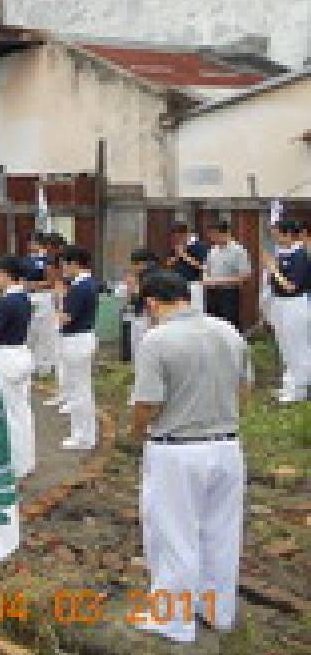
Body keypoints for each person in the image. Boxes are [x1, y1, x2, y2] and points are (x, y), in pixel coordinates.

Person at [129, 270, 249, 644]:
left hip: (177, 450)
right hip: (227, 446)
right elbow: (245, 389)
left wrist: (136, 432)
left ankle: (174, 619)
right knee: (221, 532)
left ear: (151, 303)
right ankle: (217, 609)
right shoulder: (228, 331)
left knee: (173, 534)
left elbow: (148, 402)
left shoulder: (156, 340)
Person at [0, 256, 35, 478]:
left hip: (7, 356)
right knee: (21, 410)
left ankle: (15, 463)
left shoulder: (5, 303)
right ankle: (25, 460)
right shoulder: (23, 298)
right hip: (21, 353)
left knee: (9, 412)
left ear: (7, 275)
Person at [261, 220, 309, 404]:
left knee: (297, 346)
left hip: (295, 304)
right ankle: (289, 384)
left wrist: (273, 269)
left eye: (277, 234)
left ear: (289, 234)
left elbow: (291, 286)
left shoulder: (299, 256)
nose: (275, 238)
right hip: (280, 303)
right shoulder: (282, 254)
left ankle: (300, 388)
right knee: (285, 345)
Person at [57, 246, 98, 449]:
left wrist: (57, 310)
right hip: (82, 338)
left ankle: (83, 436)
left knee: (78, 390)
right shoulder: (87, 284)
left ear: (74, 264)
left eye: (64, 264)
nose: (62, 269)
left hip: (76, 340)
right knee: (81, 389)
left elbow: (65, 318)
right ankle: (85, 433)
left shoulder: (79, 287)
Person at [203, 221, 252, 331]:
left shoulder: (238, 251)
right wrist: (206, 278)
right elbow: (206, 269)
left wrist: (218, 281)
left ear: (225, 233)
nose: (211, 237)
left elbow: (244, 277)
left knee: (228, 324)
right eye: (210, 234)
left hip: (228, 293)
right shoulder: (213, 250)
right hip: (211, 293)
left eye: (214, 234)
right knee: (213, 324)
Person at [23, 232, 59, 379]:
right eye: (30, 243)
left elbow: (51, 282)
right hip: (28, 296)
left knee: (44, 331)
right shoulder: (26, 260)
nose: (30, 245)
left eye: (33, 243)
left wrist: (34, 284)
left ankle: (44, 366)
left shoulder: (48, 260)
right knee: (30, 330)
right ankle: (30, 365)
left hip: (43, 297)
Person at [123, 249, 160, 360]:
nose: (133, 267)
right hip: (143, 315)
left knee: (142, 349)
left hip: (147, 316)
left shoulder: (149, 278)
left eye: (135, 264)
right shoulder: (150, 275)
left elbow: (141, 297)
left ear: (144, 264)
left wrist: (132, 287)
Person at [165, 222, 208, 313]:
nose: (176, 240)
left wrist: (184, 256)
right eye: (174, 238)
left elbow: (203, 266)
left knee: (194, 310)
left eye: (179, 237)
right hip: (176, 284)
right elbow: (167, 265)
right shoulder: (176, 247)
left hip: (193, 284)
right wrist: (177, 256)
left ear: (185, 235)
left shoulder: (199, 247)